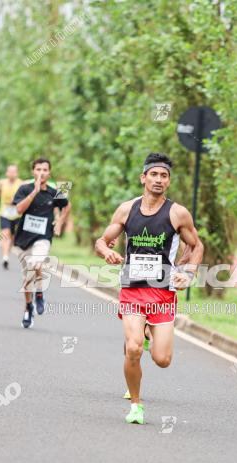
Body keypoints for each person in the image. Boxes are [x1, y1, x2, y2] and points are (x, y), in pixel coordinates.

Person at [93, 152, 204, 425]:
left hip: (162, 292)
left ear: (168, 181)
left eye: (163, 175)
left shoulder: (177, 213)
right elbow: (101, 241)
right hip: (132, 288)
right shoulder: (126, 209)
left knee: (162, 359)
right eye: (153, 174)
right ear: (143, 178)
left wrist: (188, 271)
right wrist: (106, 252)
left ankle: (145, 333)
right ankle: (136, 405)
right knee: (132, 350)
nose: (158, 179)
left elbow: (197, 245)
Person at [12, 157, 71, 328]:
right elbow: (19, 209)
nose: (41, 173)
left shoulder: (56, 191)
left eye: (45, 170)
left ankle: (40, 293)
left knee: (37, 263)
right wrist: (34, 191)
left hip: (43, 238)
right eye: (38, 170)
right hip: (24, 239)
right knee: (27, 277)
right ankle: (29, 306)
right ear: (33, 171)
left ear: (49, 172)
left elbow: (67, 205)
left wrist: (59, 222)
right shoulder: (24, 188)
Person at [0, 164, 23, 269]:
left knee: (12, 238)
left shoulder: (21, 184)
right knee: (5, 234)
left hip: (17, 214)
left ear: (17, 173)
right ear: (7, 173)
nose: (12, 174)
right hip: (4, 212)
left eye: (14, 171)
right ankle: (5, 257)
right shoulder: (2, 182)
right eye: (10, 171)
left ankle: (7, 253)